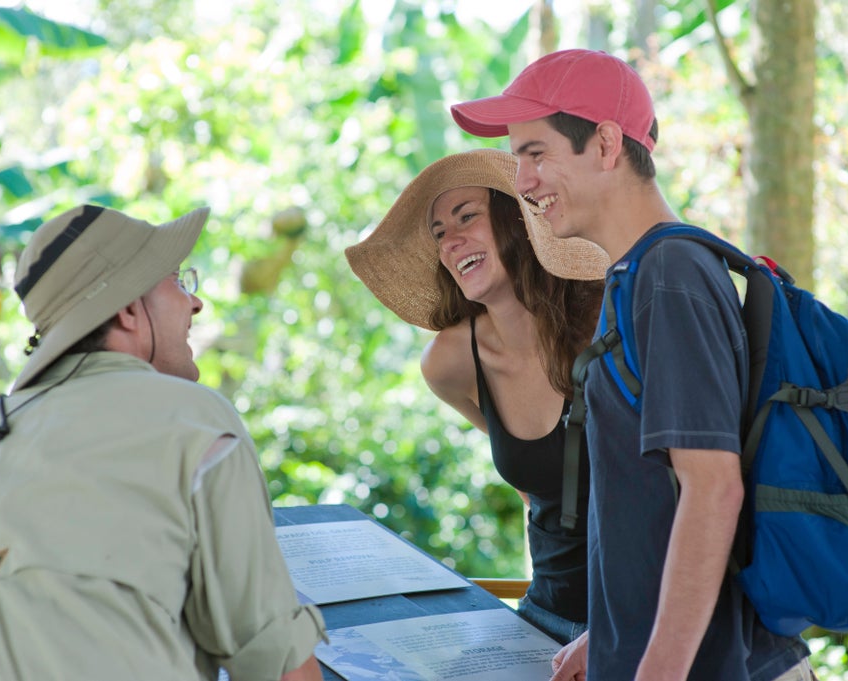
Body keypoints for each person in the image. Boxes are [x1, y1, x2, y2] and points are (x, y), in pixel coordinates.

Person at [451, 49, 815, 681]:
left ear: (605, 143)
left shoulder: (669, 277)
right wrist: (619, 629)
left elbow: (712, 489)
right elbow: (657, 504)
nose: (523, 179)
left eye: (536, 153)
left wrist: (658, 668)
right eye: (518, 160)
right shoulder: (636, 277)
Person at [0, 205, 326, 680]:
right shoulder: (190, 419)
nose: (196, 303)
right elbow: (278, 664)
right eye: (178, 281)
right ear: (130, 310)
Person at [345, 148, 608, 644]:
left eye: (467, 217)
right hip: (546, 622)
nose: (451, 241)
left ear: (519, 221)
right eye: (440, 233)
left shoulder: (606, 322)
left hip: (641, 624)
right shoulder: (449, 362)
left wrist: (622, 631)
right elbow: (538, 485)